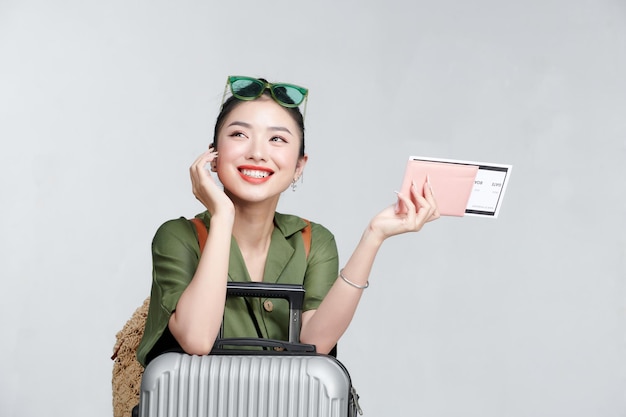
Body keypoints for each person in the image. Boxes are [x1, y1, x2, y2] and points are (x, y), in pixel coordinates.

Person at [136, 76, 439, 367]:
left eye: (277, 139)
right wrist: (223, 216)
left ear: (299, 166)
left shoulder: (311, 240)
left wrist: (374, 235)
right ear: (213, 155)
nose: (257, 152)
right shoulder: (178, 236)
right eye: (239, 134)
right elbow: (197, 339)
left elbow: (314, 344)